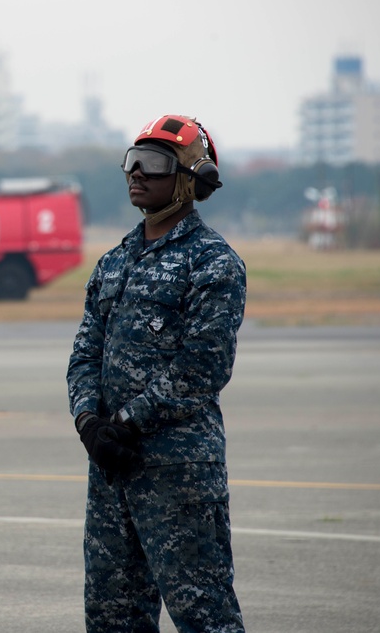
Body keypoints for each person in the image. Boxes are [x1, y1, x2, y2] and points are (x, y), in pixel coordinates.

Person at [67, 114, 247, 633]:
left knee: (204, 615)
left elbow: (203, 367)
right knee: (111, 617)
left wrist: (126, 422)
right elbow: (84, 353)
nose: (137, 173)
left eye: (155, 164)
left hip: (179, 474)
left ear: (191, 178)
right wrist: (88, 423)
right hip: (110, 468)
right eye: (132, 160)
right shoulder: (114, 262)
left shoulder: (213, 263)